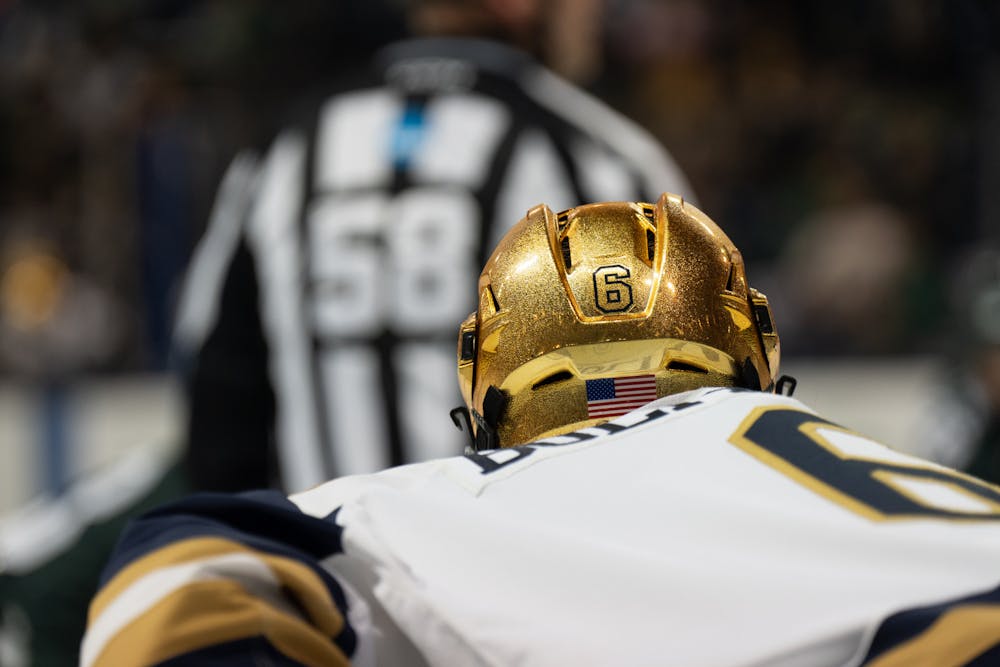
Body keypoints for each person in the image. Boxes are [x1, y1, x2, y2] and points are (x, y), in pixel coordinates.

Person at [84, 194, 1000, 666]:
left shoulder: (456, 503)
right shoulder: (843, 455)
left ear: (486, 391)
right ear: (750, 353)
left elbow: (175, 577)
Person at [172, 0, 695, 494]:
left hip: (330, 571)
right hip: (531, 577)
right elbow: (686, 401)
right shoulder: (595, 156)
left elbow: (215, 404)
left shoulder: (283, 153)